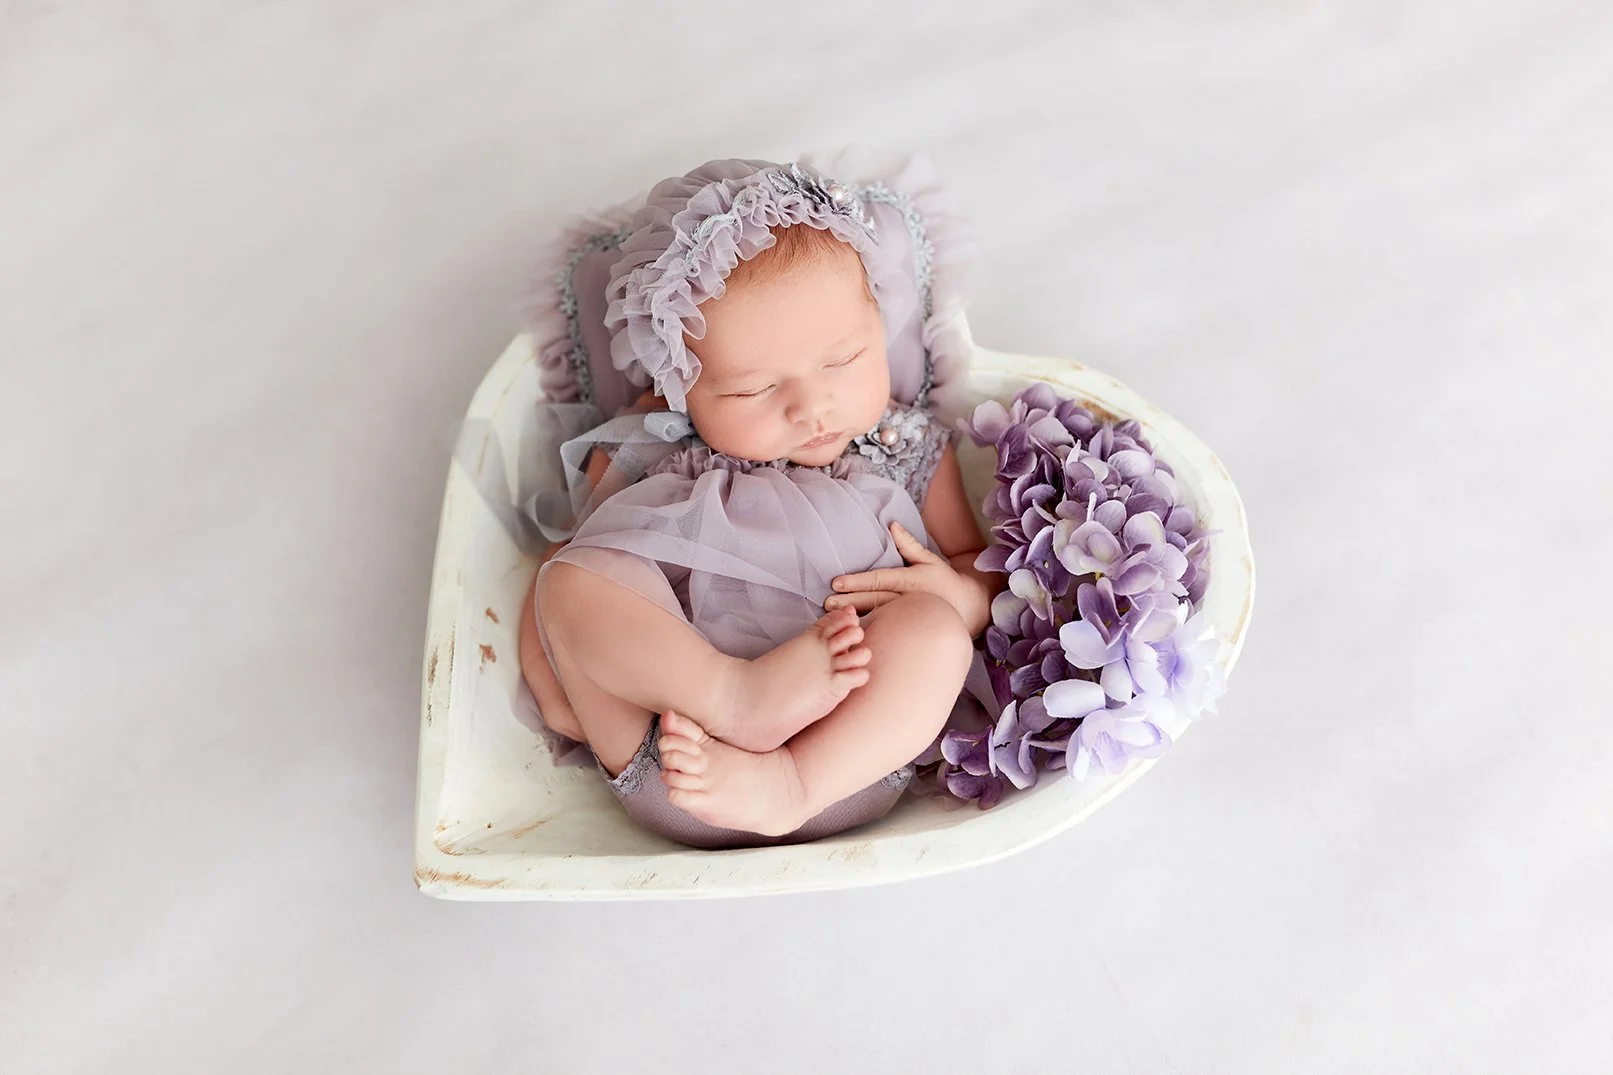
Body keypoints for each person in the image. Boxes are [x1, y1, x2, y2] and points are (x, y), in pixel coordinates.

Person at [518, 159, 999, 848]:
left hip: (850, 756)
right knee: (570, 579)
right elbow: (573, 570)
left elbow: (974, 565)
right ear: (680, 381)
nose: (810, 407)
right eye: (749, 389)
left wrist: (960, 594)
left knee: (934, 631)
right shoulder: (649, 441)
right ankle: (734, 695)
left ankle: (788, 781)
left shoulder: (906, 443)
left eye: (843, 361)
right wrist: (560, 682)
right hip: (673, 753)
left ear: (879, 328)